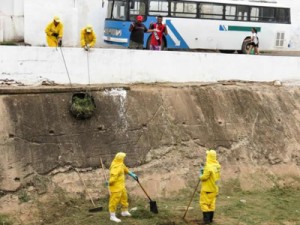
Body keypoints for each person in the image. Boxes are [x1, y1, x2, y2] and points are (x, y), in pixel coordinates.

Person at [108, 152, 138, 223]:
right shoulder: (115, 167)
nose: (124, 159)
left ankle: (124, 211)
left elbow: (125, 170)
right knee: (114, 201)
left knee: (124, 198)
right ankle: (112, 216)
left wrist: (132, 174)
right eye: (123, 158)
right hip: (116, 188)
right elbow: (113, 178)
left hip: (121, 186)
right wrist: (108, 183)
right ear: (119, 159)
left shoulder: (120, 163)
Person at [199, 150, 221, 224]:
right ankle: (211, 220)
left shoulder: (208, 167)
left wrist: (201, 171)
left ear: (209, 157)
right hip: (214, 189)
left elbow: (204, 178)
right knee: (212, 204)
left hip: (207, 189)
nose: (206, 157)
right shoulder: (217, 166)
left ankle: (206, 221)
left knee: (204, 204)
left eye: (207, 155)